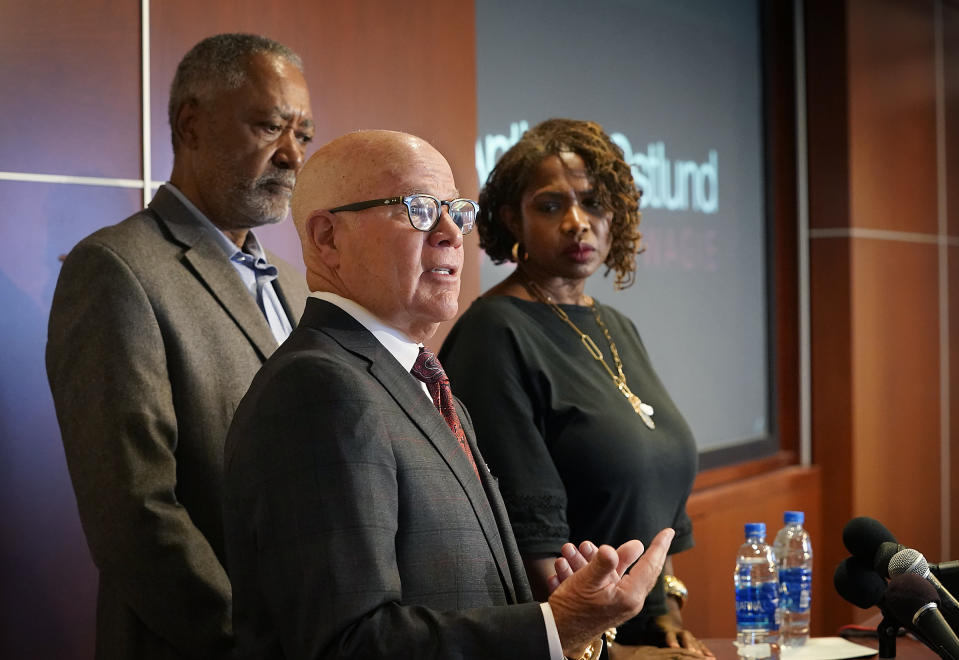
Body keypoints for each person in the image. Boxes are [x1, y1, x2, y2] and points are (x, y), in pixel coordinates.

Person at [222, 128, 675, 659]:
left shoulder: (421, 383)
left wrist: (561, 617)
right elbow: (348, 644)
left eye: (457, 212)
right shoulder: (319, 389)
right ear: (327, 238)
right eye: (416, 209)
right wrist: (557, 626)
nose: (450, 234)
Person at [45, 34, 313, 659]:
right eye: (271, 126)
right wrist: (250, 643)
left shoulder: (299, 287)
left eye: (303, 133)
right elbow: (135, 514)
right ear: (191, 123)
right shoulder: (115, 268)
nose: (292, 155)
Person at [439, 118, 712, 658]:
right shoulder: (494, 334)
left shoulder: (614, 326)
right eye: (550, 206)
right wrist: (612, 654)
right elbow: (524, 534)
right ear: (511, 218)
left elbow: (651, 494)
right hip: (564, 646)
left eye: (592, 204)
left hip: (638, 632)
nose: (576, 223)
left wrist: (663, 614)